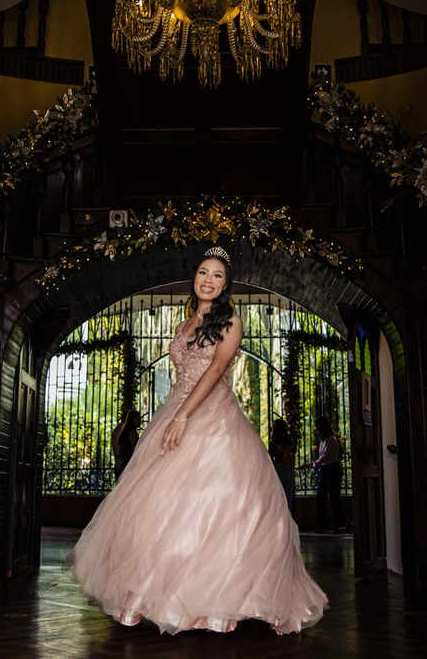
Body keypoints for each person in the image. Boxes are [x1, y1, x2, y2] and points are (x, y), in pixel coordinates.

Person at [66, 247, 327, 634]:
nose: (208, 279)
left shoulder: (231, 322)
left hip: (213, 416)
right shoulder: (184, 324)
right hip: (174, 408)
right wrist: (173, 413)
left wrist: (184, 416)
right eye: (203, 272)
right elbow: (182, 374)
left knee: (217, 504)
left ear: (226, 285)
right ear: (195, 279)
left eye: (217, 275)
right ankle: (162, 598)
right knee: (157, 505)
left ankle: (220, 603)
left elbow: (218, 367)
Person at [299, 415, 347, 533]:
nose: (316, 430)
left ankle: (340, 525)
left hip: (332, 469)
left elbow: (324, 458)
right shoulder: (323, 441)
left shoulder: (331, 440)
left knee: (334, 498)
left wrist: (311, 465)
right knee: (320, 497)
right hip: (325, 470)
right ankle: (323, 524)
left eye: (317, 427)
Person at [268, 417, 296, 516]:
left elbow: (270, 458)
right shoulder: (290, 442)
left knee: (277, 498)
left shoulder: (273, 443)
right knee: (288, 498)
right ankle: (289, 521)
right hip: (289, 469)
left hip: (277, 468)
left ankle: (280, 521)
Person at [111, 409, 141, 480]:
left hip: (122, 462)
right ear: (132, 420)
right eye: (137, 419)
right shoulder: (133, 434)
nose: (140, 422)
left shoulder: (123, 432)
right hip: (129, 462)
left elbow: (120, 449)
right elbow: (134, 450)